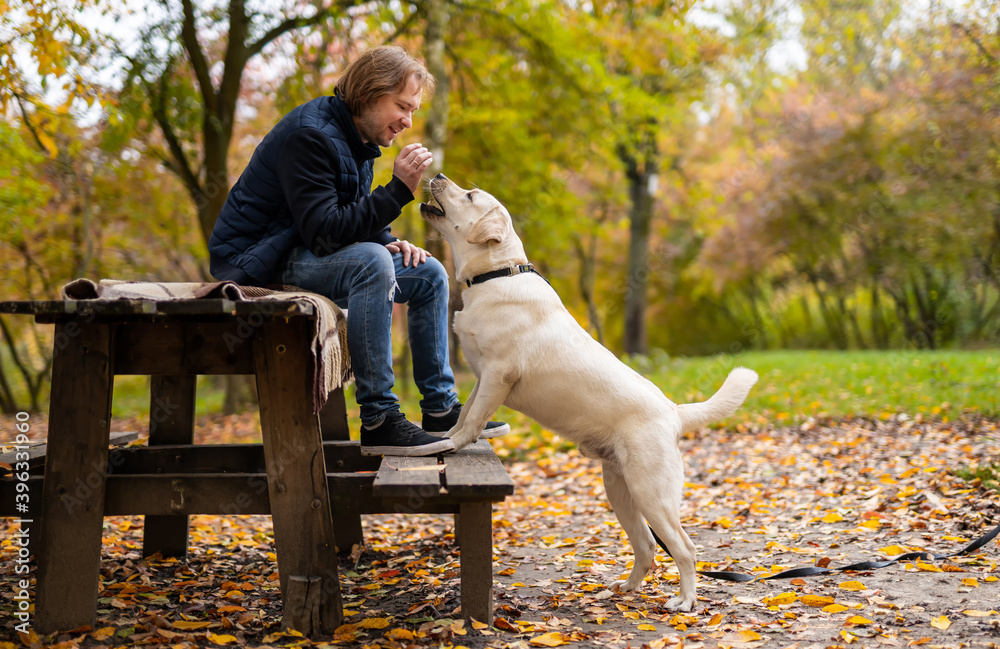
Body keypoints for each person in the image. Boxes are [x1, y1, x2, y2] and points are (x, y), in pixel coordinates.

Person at [208, 45, 507, 456]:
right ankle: (380, 418)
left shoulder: (356, 137)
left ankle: (440, 410)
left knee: (428, 273)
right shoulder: (311, 136)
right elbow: (324, 234)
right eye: (402, 106)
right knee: (371, 262)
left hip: (302, 246)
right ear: (369, 94)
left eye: (414, 109)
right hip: (259, 258)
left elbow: (343, 211)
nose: (408, 120)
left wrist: (387, 238)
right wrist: (398, 192)